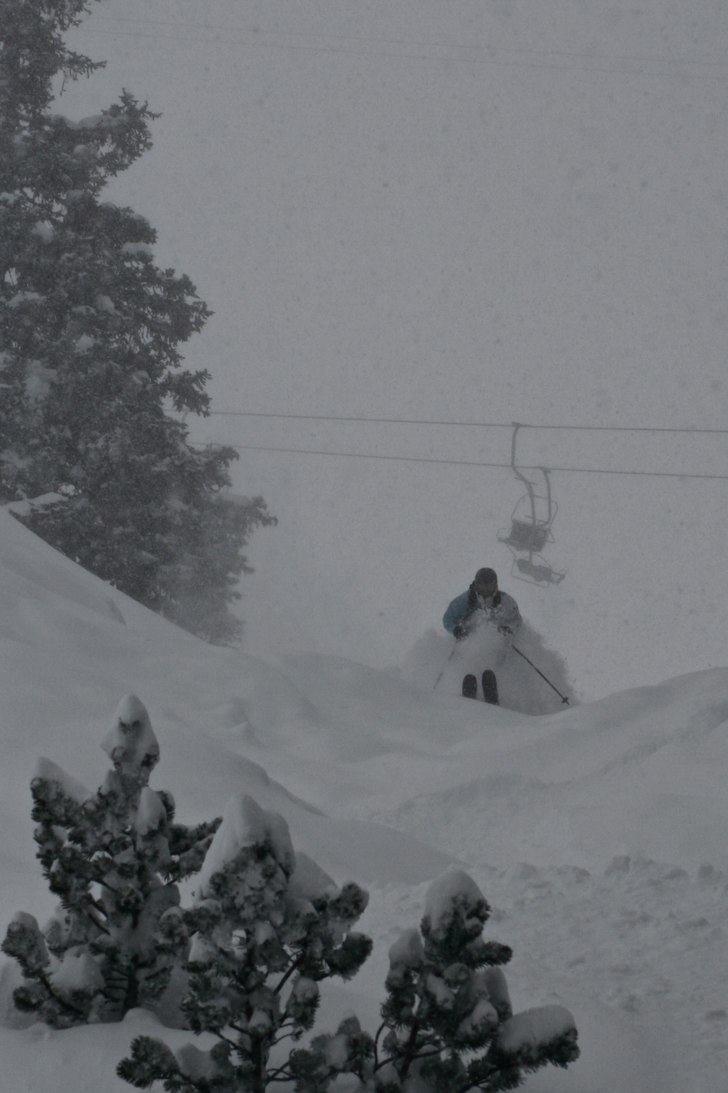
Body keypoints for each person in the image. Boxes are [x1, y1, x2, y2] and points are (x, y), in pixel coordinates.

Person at [443, 567, 521, 642]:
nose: (485, 590)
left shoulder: (506, 601)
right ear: (476, 585)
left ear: (495, 585)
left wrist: (509, 629)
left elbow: (517, 621)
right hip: (468, 643)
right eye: (482, 586)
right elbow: (448, 619)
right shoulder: (466, 600)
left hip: (499, 644)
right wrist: (455, 629)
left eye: (489, 586)